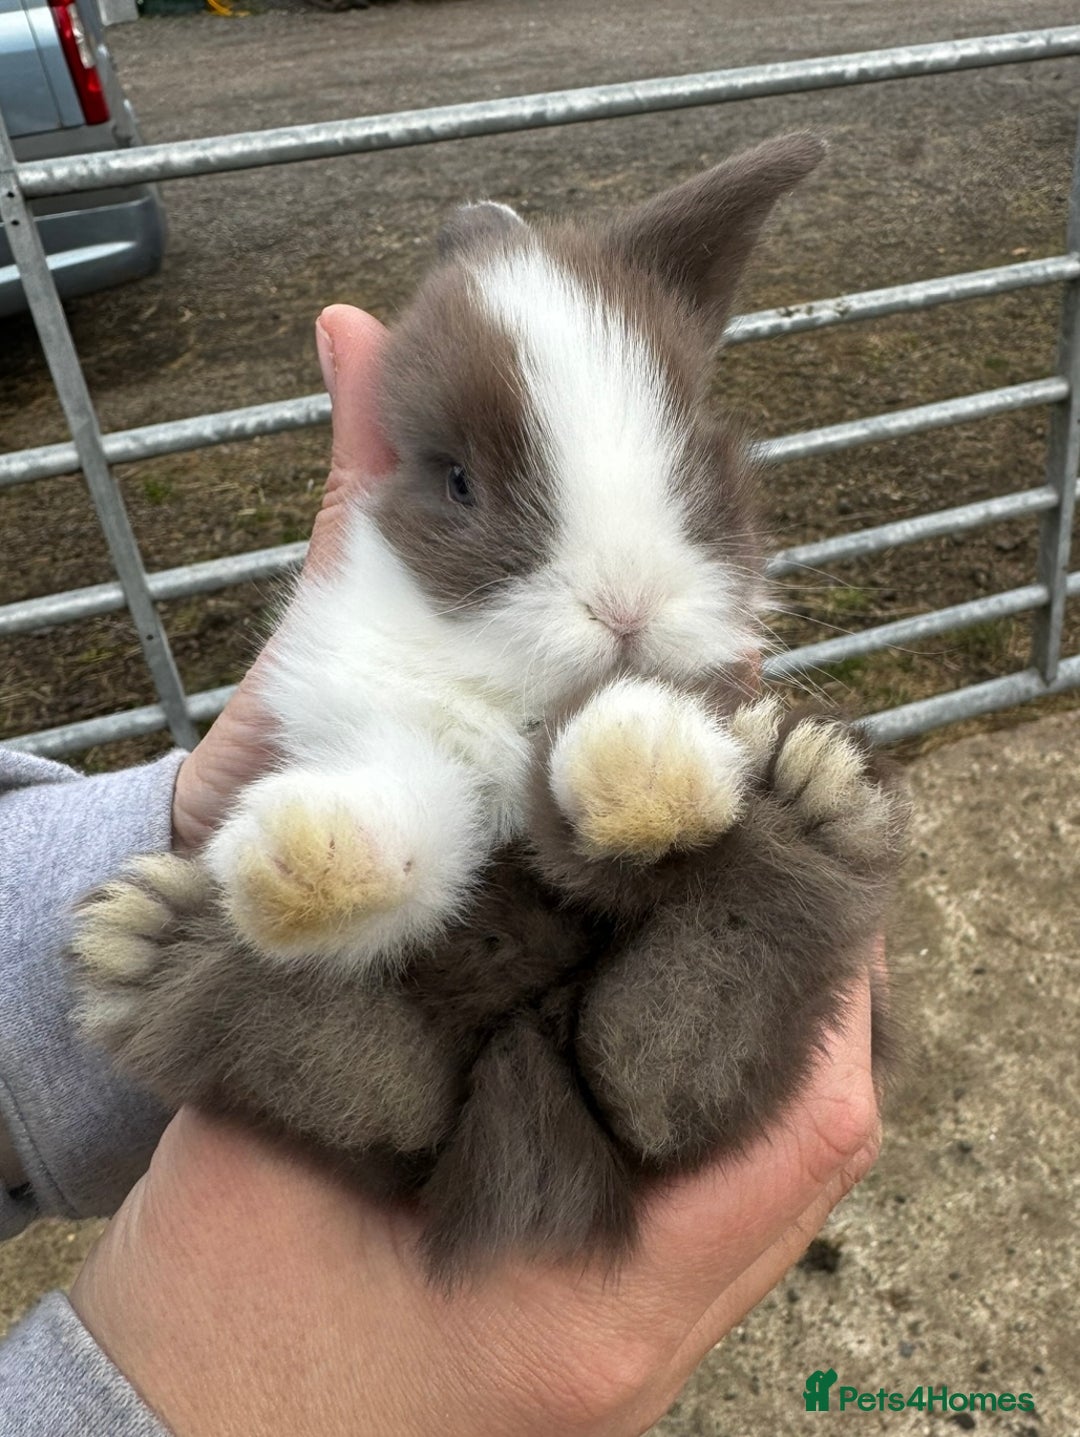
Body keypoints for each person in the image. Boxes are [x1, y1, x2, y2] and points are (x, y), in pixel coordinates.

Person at [0, 305, 883, 1437]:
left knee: (715, 859)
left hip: (639, 985)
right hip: (420, 1022)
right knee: (357, 921)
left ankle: (716, 918)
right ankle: (264, 1013)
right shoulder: (384, 608)